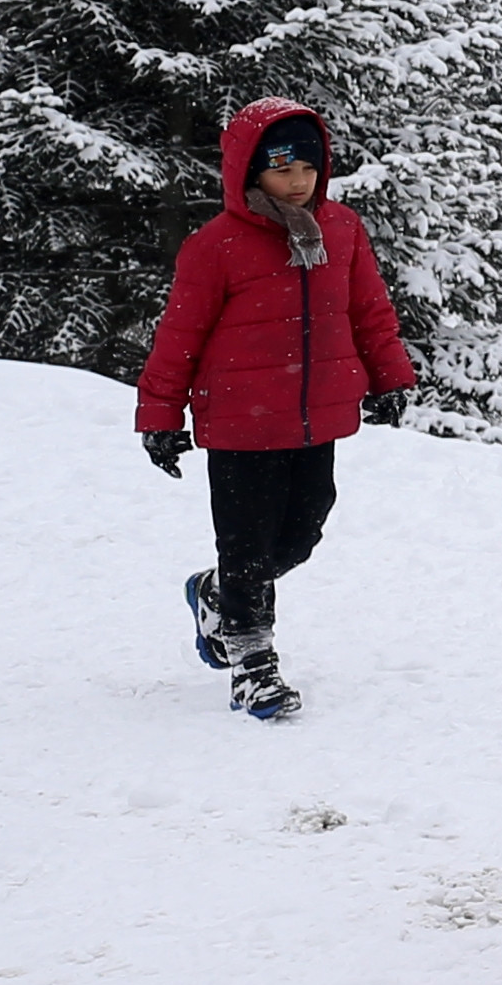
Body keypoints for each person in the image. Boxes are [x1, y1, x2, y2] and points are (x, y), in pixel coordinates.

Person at [133, 98, 417, 722]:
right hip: (240, 423)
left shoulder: (341, 230)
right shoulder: (217, 247)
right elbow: (179, 336)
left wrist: (390, 376)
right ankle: (252, 663)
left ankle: (216, 593)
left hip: (317, 415)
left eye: (309, 168)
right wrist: (159, 417)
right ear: (248, 171)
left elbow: (369, 311)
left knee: (304, 529)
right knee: (248, 548)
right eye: (282, 169)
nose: (298, 182)